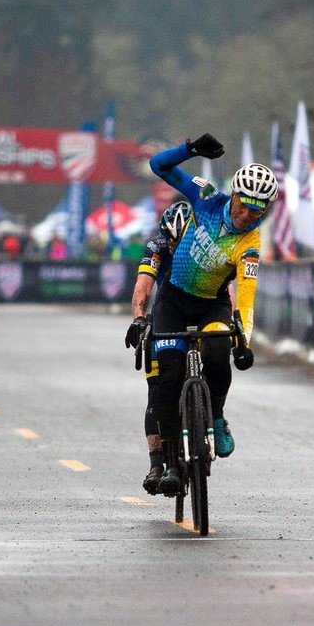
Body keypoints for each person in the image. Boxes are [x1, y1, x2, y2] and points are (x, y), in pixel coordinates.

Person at [139, 133, 271, 497]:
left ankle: (216, 415)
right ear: (235, 196)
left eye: (255, 212)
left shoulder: (251, 243)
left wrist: (243, 340)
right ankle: (167, 462)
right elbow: (159, 166)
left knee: (217, 351)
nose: (245, 216)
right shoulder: (208, 196)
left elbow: (246, 295)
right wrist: (190, 149)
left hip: (212, 303)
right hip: (173, 300)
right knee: (167, 375)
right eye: (243, 206)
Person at [126, 202, 194, 495]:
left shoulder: (203, 245)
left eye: (184, 241)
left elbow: (226, 288)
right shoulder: (157, 246)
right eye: (173, 241)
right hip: (166, 312)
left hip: (198, 311)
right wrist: (139, 319)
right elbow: (143, 286)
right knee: (159, 386)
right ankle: (158, 462)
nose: (177, 246)